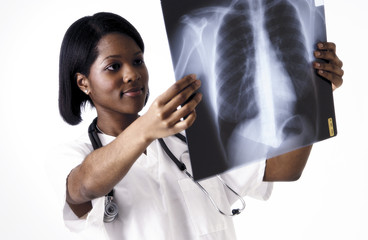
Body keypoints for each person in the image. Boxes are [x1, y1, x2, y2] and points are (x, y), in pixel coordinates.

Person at [55, 12, 343, 240]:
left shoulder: (191, 134)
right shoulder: (73, 156)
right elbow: (83, 187)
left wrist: (315, 91)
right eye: (113, 66)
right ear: (83, 83)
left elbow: (284, 169)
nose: (132, 74)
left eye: (137, 60)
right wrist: (145, 130)